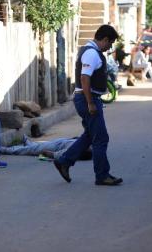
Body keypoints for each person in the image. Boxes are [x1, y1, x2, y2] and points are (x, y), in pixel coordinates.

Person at [52, 24, 123, 186]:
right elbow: (85, 78)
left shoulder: (90, 51)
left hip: (85, 98)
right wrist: (91, 102)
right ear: (104, 39)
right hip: (87, 99)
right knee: (101, 138)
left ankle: (64, 161)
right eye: (110, 43)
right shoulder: (92, 53)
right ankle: (102, 175)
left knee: (91, 135)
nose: (110, 47)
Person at [0, 135, 92, 161]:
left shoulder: (75, 151)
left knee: (31, 150)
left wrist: (48, 153)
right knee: (34, 148)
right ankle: (29, 143)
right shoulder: (86, 145)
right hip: (62, 141)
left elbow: (60, 154)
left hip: (56, 147)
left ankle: (5, 150)